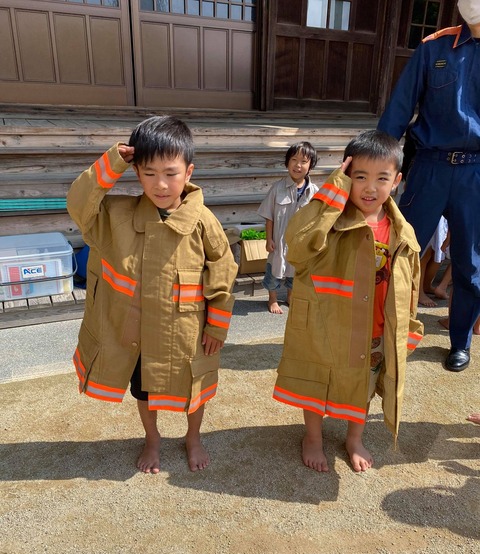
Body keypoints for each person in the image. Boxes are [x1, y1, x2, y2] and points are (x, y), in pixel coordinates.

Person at [67, 115, 238, 474]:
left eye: (171, 173)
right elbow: (79, 204)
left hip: (188, 333)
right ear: (136, 172)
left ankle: (193, 437)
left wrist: (217, 328)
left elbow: (223, 274)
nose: (160, 184)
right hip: (137, 335)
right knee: (144, 392)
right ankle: (153, 438)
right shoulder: (116, 215)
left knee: (195, 391)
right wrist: (113, 160)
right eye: (149, 172)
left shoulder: (203, 221)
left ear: (189, 172)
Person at [273, 130, 423, 473]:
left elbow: (410, 286)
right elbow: (295, 246)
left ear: (397, 181)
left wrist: (410, 327)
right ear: (344, 177)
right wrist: (331, 195)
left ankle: (354, 437)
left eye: (382, 178)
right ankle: (312, 436)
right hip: (326, 327)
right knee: (316, 383)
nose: (370, 188)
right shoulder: (328, 221)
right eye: (359, 177)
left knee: (365, 388)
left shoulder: (402, 232)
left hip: (374, 331)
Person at [378, 0, 480, 372]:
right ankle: (386, 332)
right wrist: (376, 166)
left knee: (470, 266)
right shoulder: (434, 48)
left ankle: (459, 343)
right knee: (398, 252)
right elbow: (398, 110)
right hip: (430, 168)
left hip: (477, 174)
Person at [259, 142, 318, 314]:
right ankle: (272, 298)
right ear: (287, 162)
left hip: (299, 244)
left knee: (295, 273)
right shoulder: (277, 188)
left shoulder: (314, 191)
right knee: (273, 271)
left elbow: (316, 220)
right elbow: (269, 216)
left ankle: (290, 296)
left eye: (304, 161)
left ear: (310, 165)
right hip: (278, 241)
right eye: (294, 160)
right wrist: (268, 239)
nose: (298, 165)